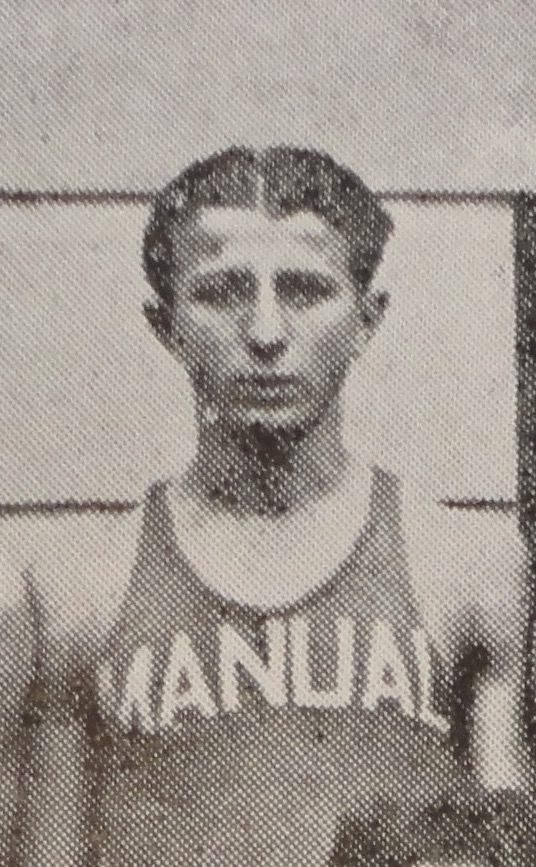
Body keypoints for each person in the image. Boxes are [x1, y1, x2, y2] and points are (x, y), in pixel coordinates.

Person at [0, 145, 532, 866]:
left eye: (307, 290)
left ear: (367, 319)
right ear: (167, 326)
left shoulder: (464, 565)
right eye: (221, 292)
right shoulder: (79, 586)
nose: (267, 333)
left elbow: (508, 843)